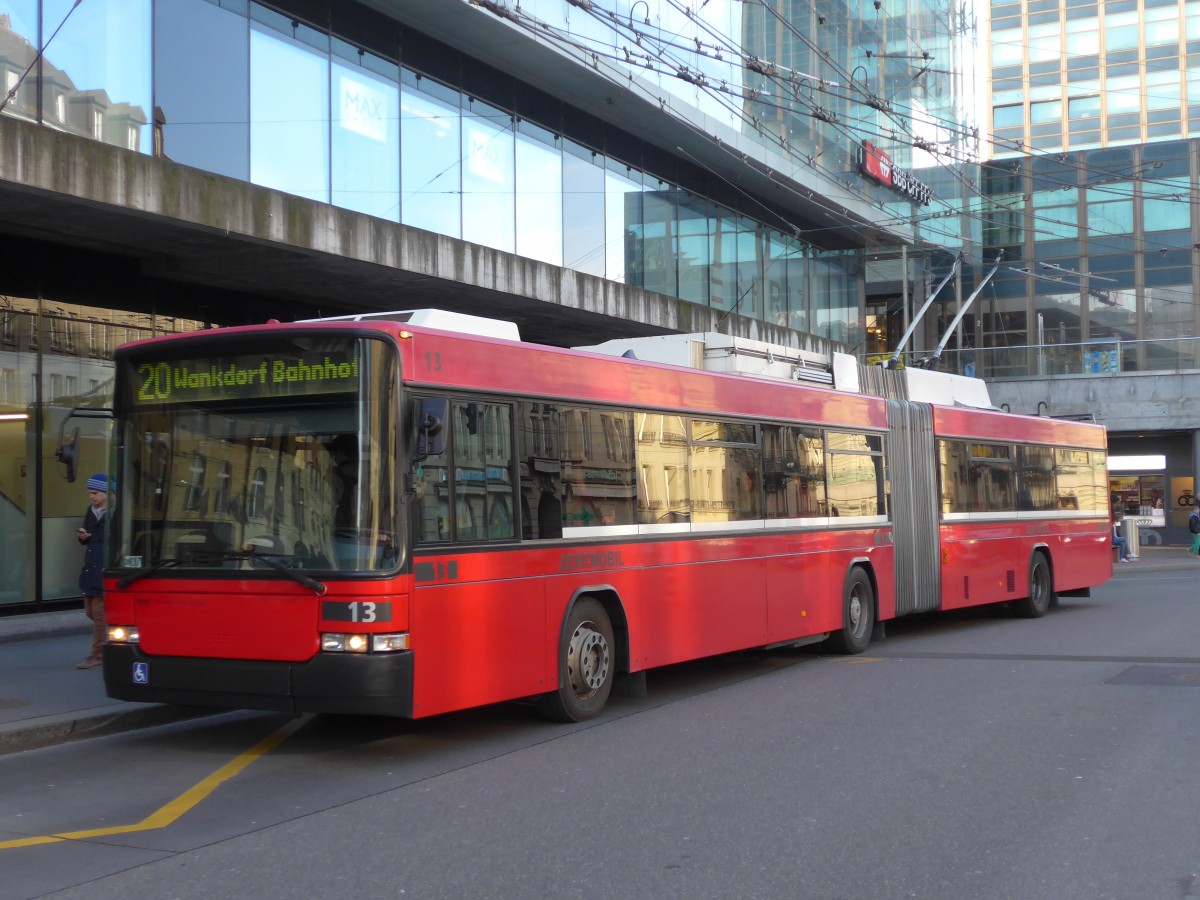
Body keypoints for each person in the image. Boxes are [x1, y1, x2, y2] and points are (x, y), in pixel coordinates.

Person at [76, 474, 109, 669]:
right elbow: (88, 536)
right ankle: (113, 638)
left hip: (103, 568)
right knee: (90, 612)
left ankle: (98, 654)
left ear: (105, 493)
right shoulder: (91, 511)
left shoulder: (115, 513)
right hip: (90, 566)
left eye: (95, 493)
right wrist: (84, 536)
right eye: (90, 493)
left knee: (98, 614)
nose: (92, 497)